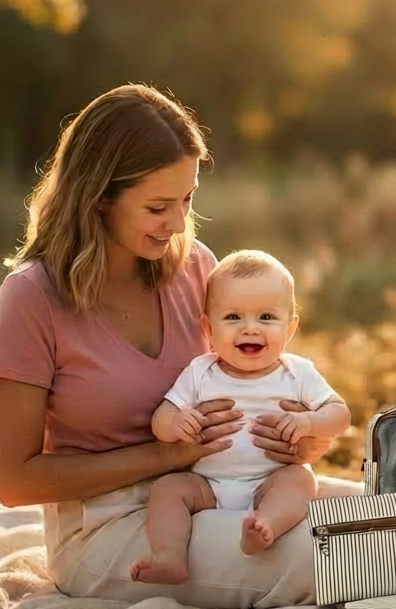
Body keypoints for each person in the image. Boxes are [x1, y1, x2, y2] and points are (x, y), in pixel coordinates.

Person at [0, 83, 362, 609]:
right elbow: (14, 481)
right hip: (109, 526)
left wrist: (300, 441)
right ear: (99, 199)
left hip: (225, 489)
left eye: (187, 199)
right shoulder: (32, 295)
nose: (179, 223)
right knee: (332, 558)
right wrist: (165, 455)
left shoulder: (195, 266)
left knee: (391, 517)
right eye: (158, 206)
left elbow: (247, 383)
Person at [129, 249, 351, 584]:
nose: (249, 329)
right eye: (233, 317)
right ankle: (169, 555)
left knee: (302, 481)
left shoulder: (297, 373)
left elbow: (340, 414)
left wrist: (308, 423)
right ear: (208, 328)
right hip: (208, 485)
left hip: (269, 481)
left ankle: (265, 527)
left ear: (290, 328)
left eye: (266, 318)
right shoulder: (200, 371)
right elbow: (163, 417)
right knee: (168, 489)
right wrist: (176, 424)